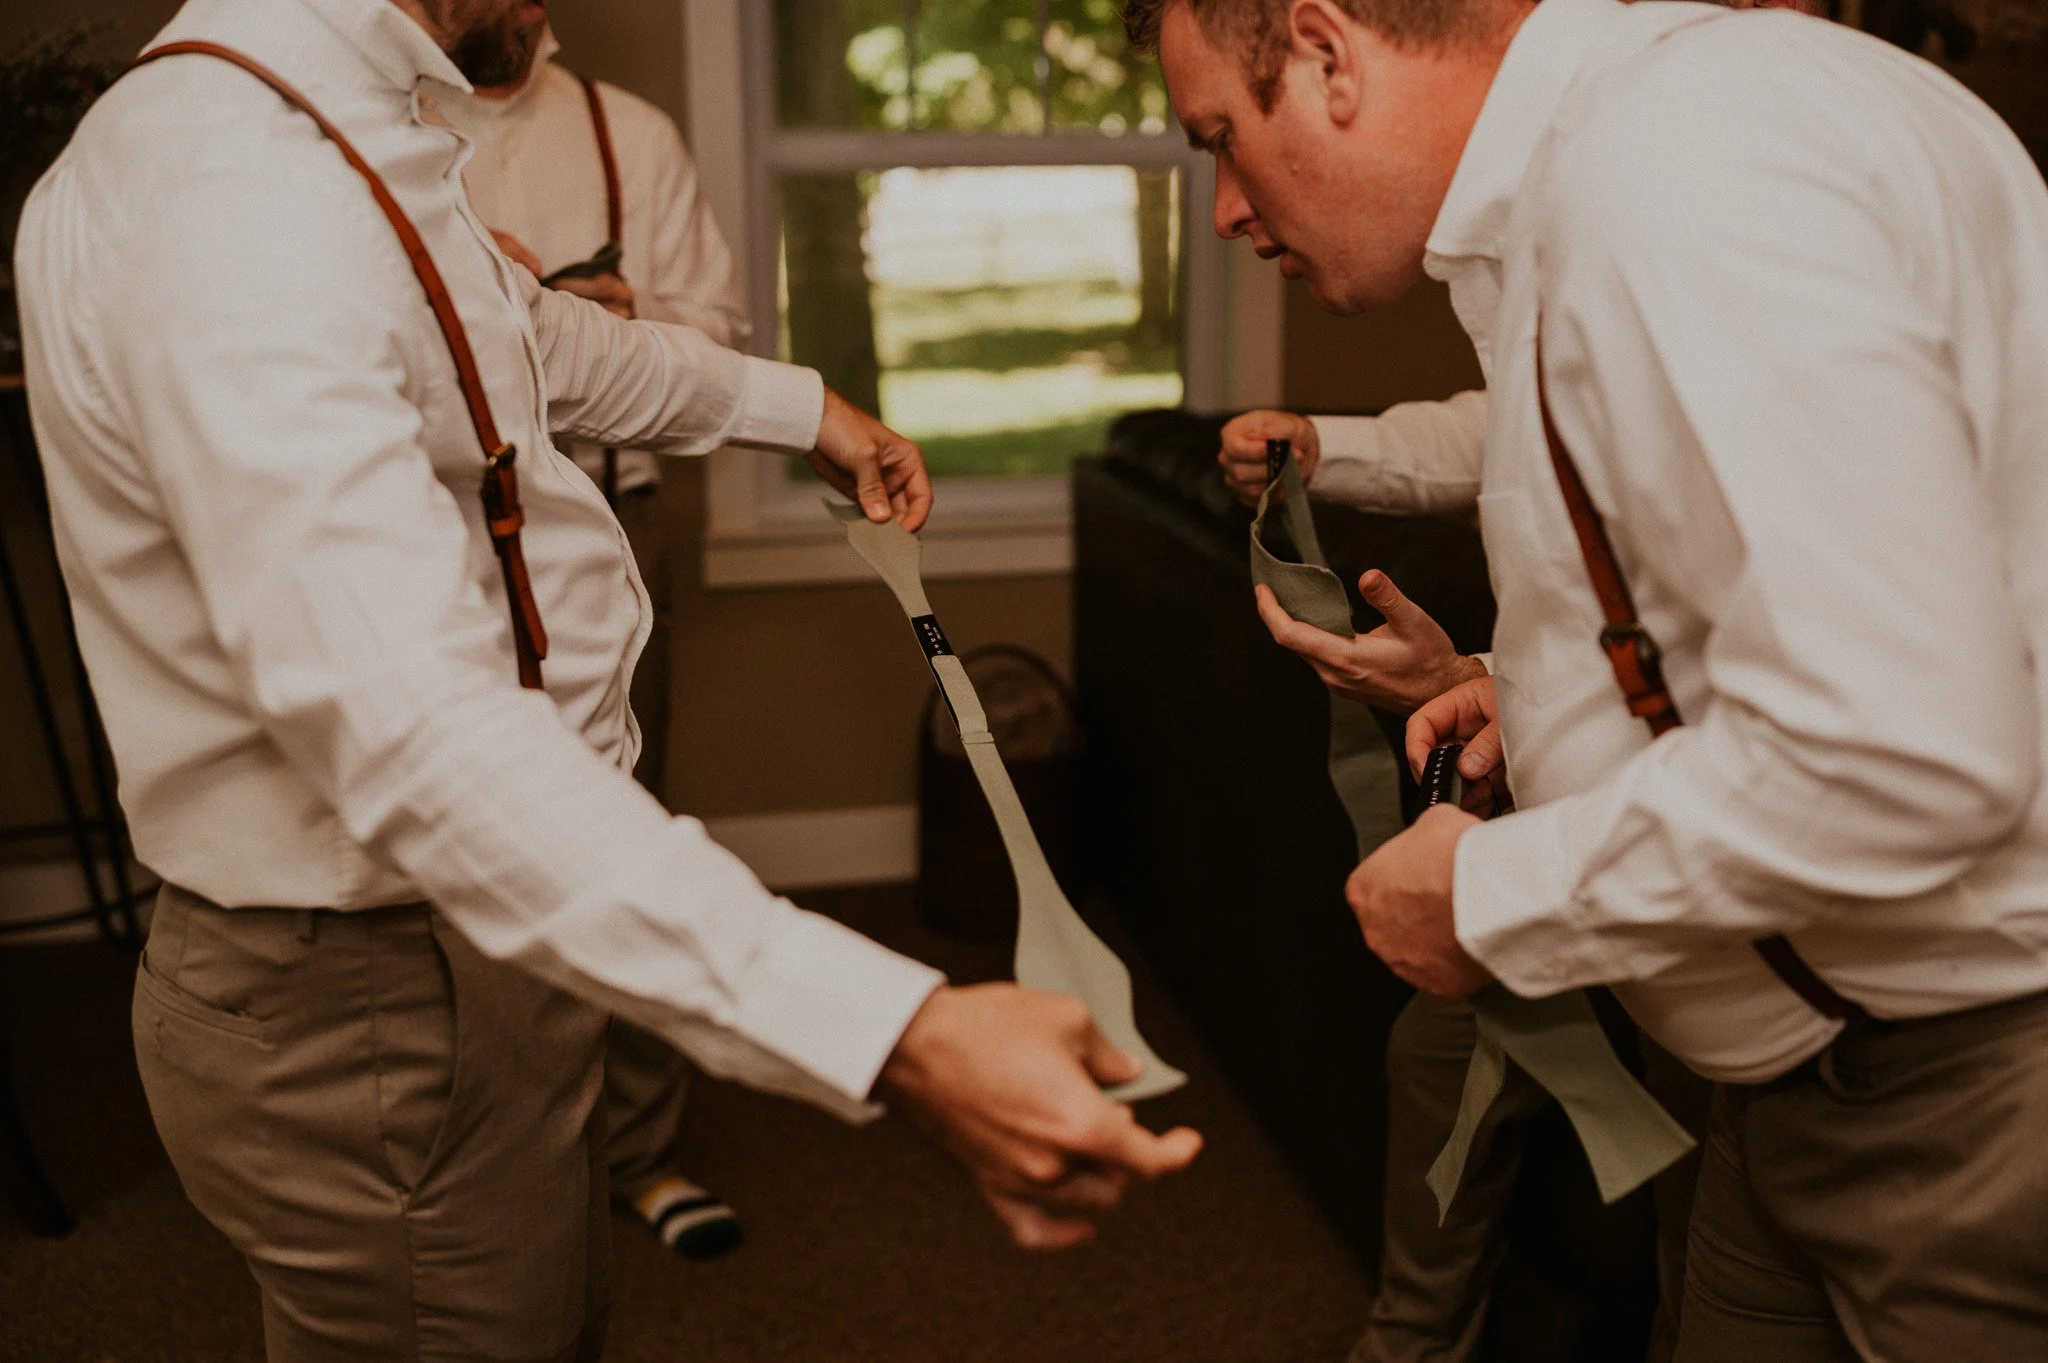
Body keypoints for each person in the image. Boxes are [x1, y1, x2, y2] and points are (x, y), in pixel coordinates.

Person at [14, 0, 1203, 1355]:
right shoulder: (239, 200)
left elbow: (538, 341)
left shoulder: (341, 137)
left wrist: (802, 410)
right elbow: (415, 734)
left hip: (467, 949)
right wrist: (898, 1029)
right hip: (376, 994)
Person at [1134, 0, 2048, 1357]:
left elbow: (1899, 750)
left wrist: (1489, 897)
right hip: (1799, 1060)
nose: (1223, 210)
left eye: (1223, 139)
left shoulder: (1686, 165)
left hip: (1951, 1081)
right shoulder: (1609, 167)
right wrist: (1536, 692)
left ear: (1326, 53)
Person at [436, 23, 749, 1261]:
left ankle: (638, 1148)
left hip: (610, 518)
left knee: (623, 820)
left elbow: (715, 333)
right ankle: (485, 1157)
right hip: (439, 530)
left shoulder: (633, 133)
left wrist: (624, 317)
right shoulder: (372, 129)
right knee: (453, 835)